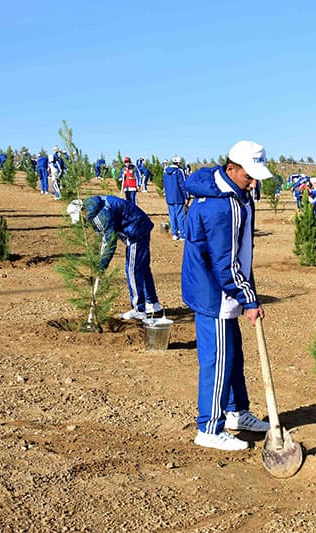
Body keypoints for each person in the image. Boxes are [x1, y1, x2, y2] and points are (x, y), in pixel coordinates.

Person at [181, 140, 273, 451]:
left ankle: (236, 413)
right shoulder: (222, 207)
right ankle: (209, 427)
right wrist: (248, 298)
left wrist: (250, 293)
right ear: (231, 168)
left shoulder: (237, 195)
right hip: (214, 292)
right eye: (249, 176)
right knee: (218, 359)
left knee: (231, 354)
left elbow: (241, 253)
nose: (255, 182)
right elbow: (225, 263)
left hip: (224, 288)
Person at [66, 195, 163, 320]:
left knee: (133, 270)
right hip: (140, 224)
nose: (83, 221)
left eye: (81, 218)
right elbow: (105, 238)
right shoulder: (95, 205)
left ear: (83, 211)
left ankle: (139, 310)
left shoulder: (100, 216)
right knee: (143, 268)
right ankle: (152, 304)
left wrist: (102, 265)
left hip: (135, 230)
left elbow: (110, 241)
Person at [163, 156, 188, 240]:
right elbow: (183, 185)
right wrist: (186, 197)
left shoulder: (165, 172)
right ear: (179, 163)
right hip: (179, 197)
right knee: (180, 216)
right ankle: (182, 234)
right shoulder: (179, 171)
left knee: (172, 216)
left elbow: (165, 185)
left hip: (169, 198)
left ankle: (174, 234)